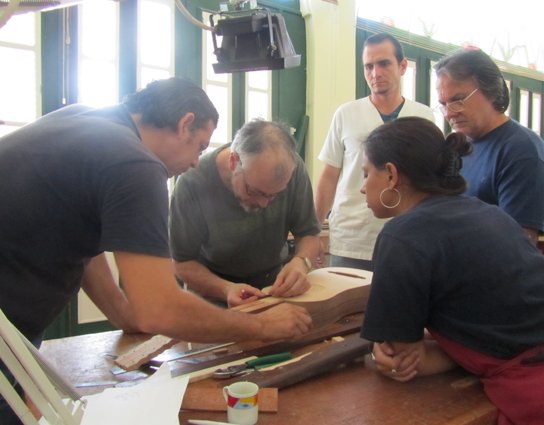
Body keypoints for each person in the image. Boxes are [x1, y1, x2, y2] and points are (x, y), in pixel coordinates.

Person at [0, 78, 312, 424]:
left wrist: (123, 314)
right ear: (183, 125)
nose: (197, 162)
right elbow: (159, 309)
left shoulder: (89, 120)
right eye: (199, 146)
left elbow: (82, 245)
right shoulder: (136, 164)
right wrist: (263, 327)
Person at [359, 116, 544, 425]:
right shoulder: (489, 213)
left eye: (366, 174)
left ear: (391, 175)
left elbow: (400, 357)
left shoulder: (402, 235)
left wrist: (382, 355)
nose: (363, 188)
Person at [170, 119, 320, 307]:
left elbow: (309, 234)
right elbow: (182, 263)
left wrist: (301, 262)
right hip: (212, 298)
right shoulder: (192, 183)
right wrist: (226, 288)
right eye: (255, 191)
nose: (264, 204)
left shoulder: (293, 170)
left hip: (272, 290)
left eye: (275, 195)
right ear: (234, 161)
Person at [315, 32, 435, 271]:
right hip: (352, 238)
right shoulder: (346, 114)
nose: (375, 73)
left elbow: (431, 182)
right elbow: (329, 176)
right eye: (368, 66)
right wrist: (314, 231)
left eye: (383, 63)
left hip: (409, 236)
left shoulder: (423, 117)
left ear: (402, 66)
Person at [434, 48, 544, 244]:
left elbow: (516, 244)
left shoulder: (523, 150)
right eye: (443, 104)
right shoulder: (458, 146)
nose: (449, 113)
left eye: (457, 100)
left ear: (490, 91)